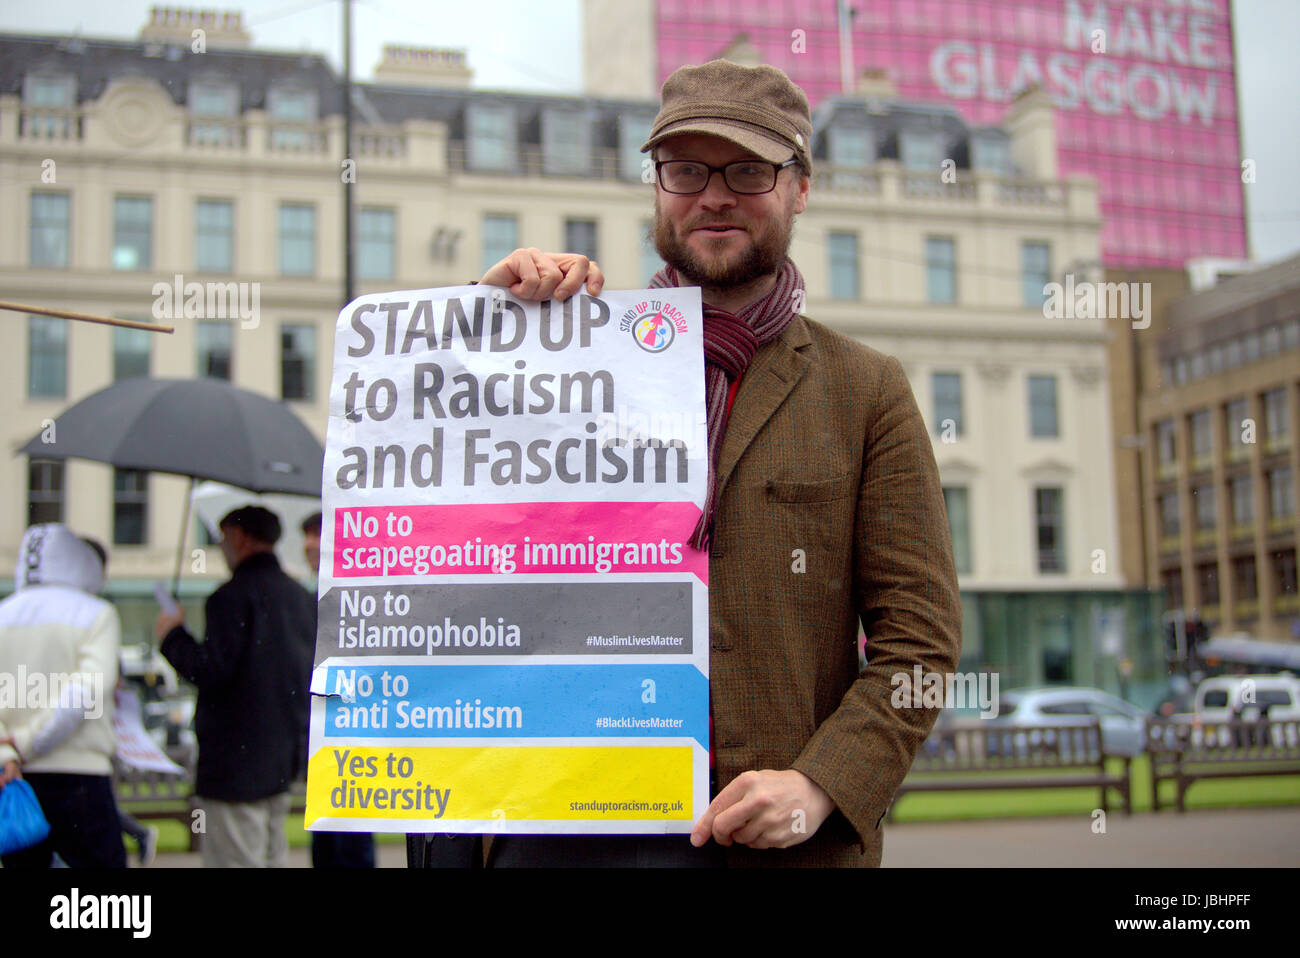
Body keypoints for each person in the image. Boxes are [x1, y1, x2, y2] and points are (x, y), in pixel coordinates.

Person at [472, 60, 962, 867]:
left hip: (768, 847)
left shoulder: (866, 389)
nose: (714, 195)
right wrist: (488, 329)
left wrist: (819, 786)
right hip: (566, 830)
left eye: (748, 169)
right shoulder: (566, 355)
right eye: (687, 169)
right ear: (657, 185)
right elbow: (466, 537)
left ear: (800, 187)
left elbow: (921, 640)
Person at [154, 506, 314, 867]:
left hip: (235, 763)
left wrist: (172, 636)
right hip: (281, 758)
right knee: (273, 856)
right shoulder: (300, 597)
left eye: (224, 538)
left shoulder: (231, 597)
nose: (221, 547)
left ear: (240, 538)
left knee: (235, 858)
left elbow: (212, 669)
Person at [0, 523, 127, 868]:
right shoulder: (95, 613)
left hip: (15, 779)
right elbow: (87, 690)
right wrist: (30, 741)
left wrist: (9, 750)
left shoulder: (4, 615)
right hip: (80, 776)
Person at [300, 511, 375, 868]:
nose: (308, 545)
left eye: (316, 535)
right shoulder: (310, 597)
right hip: (321, 729)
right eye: (307, 536)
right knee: (327, 833)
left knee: (350, 834)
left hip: (349, 729)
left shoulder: (354, 593)